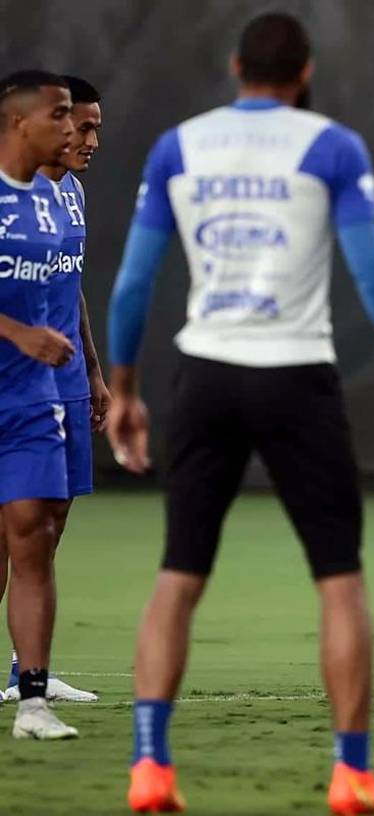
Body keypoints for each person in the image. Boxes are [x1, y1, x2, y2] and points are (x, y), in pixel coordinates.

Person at [106, 12, 374, 814]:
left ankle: (150, 765)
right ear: (304, 73)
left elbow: (129, 285)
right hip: (295, 376)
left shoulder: (177, 146)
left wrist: (124, 392)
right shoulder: (331, 145)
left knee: (177, 574)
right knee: (339, 581)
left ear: (235, 68)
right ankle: (351, 773)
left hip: (204, 376)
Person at [1, 74, 110, 705]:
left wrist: (92, 370)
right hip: (16, 377)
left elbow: (71, 286)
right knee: (11, 524)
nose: (86, 138)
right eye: (78, 124)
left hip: (63, 375)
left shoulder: (68, 195)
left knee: (51, 518)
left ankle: (27, 670)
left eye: (93, 126)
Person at [0, 69, 80, 740]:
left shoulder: (54, 202)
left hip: (32, 400)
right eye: (59, 115)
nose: (71, 128)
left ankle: (31, 701)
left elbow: (62, 295)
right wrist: (18, 332)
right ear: (20, 122)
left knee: (35, 535)